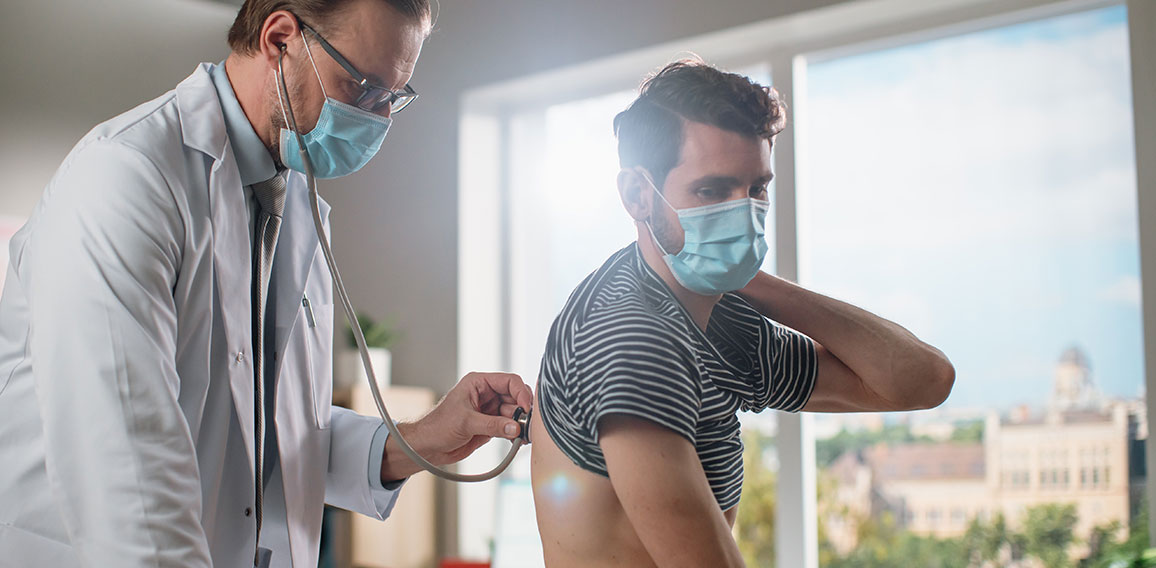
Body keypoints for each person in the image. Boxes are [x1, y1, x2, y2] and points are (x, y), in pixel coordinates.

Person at [0, 1, 533, 567]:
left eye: (394, 97)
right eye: (364, 88)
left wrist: (421, 438)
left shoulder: (292, 200)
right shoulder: (125, 179)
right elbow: (129, 489)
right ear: (280, 40)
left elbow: (273, 438)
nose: (379, 120)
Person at [529, 59, 956, 567]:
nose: (743, 214)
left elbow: (922, 381)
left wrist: (751, 280)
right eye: (712, 191)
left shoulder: (722, 320)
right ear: (638, 195)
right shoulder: (632, 334)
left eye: (757, 189)